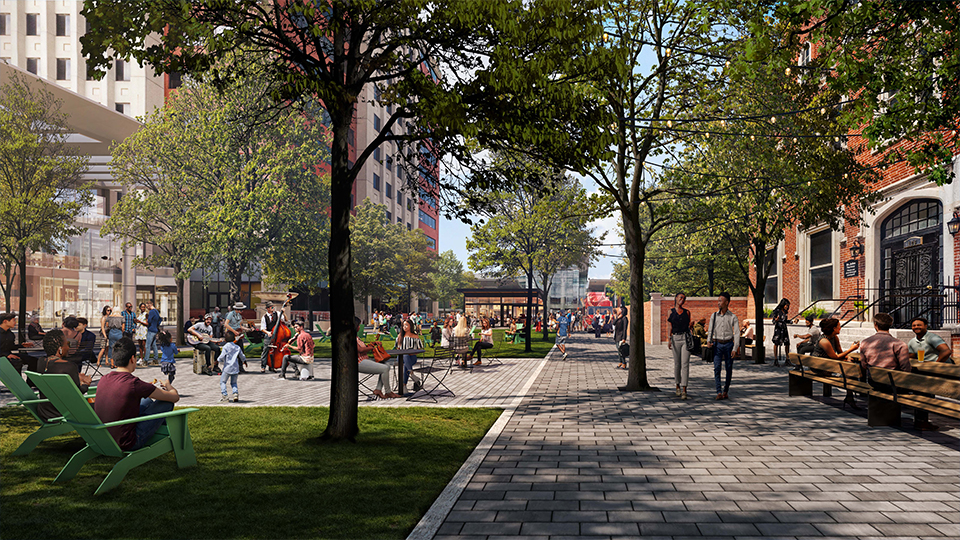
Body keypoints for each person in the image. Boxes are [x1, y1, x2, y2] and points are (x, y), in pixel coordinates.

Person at [94, 337, 180, 451]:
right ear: (132, 359)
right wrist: (168, 384)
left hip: (104, 437)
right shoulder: (134, 383)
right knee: (165, 403)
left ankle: (164, 435)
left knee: (147, 401)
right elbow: (174, 397)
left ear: (113, 360)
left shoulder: (104, 379)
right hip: (127, 441)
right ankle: (168, 438)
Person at [35, 329, 92, 422]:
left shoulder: (41, 361)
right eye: (67, 344)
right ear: (60, 348)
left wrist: (77, 377)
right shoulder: (68, 366)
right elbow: (78, 393)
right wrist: (86, 384)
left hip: (45, 411)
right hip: (64, 413)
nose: (68, 347)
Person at [811, 317, 862, 409]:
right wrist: (852, 349)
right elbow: (835, 357)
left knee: (850, 368)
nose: (840, 328)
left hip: (829, 363)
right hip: (819, 367)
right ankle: (850, 397)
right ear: (834, 328)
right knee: (850, 371)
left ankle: (850, 397)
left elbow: (839, 353)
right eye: (839, 326)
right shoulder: (824, 341)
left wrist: (847, 357)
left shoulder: (834, 337)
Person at [356, 317, 401, 399]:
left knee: (386, 365)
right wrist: (372, 348)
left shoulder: (356, 337)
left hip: (365, 360)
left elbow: (364, 347)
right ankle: (388, 392)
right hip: (359, 362)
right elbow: (360, 349)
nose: (360, 327)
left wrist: (372, 344)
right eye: (358, 325)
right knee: (384, 369)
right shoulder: (351, 337)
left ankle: (378, 389)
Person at [706, 292, 740, 400]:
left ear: (727, 302)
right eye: (718, 301)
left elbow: (737, 333)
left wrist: (735, 348)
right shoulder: (714, 316)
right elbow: (710, 329)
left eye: (721, 301)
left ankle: (726, 390)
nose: (718, 303)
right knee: (717, 368)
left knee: (729, 368)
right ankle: (718, 391)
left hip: (729, 344)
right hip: (717, 344)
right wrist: (708, 341)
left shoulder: (733, 317)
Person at [667, 293, 691, 400]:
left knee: (685, 364)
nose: (682, 300)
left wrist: (691, 326)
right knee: (677, 364)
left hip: (685, 338)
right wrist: (669, 339)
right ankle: (677, 386)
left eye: (684, 298)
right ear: (676, 298)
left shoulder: (687, 312)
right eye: (680, 297)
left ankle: (684, 389)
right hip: (675, 338)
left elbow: (688, 326)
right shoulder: (671, 312)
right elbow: (669, 326)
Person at [216, 331, 245, 403]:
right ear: (234, 338)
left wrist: (218, 360)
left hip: (227, 368)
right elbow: (242, 356)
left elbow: (222, 356)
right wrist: (244, 361)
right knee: (234, 383)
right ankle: (235, 394)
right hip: (235, 367)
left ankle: (225, 396)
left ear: (225, 339)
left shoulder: (226, 346)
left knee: (222, 382)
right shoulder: (237, 347)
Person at [396, 319, 423, 391]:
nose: (404, 327)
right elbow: (398, 349)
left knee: (406, 364)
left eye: (406, 325)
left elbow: (419, 349)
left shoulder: (415, 336)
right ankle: (412, 374)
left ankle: (403, 386)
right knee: (405, 355)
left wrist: (412, 352)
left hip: (412, 357)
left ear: (411, 326)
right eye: (403, 325)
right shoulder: (400, 336)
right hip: (400, 358)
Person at [259, 301, 285, 373]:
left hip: (277, 335)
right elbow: (262, 328)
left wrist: (283, 313)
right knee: (265, 350)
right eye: (271, 307)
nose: (273, 308)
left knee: (275, 351)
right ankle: (263, 366)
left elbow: (285, 320)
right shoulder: (264, 317)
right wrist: (268, 333)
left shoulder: (277, 313)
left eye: (273, 306)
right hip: (269, 334)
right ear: (267, 308)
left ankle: (272, 366)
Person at [771, 298, 791, 366]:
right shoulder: (777, 311)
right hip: (778, 329)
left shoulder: (785, 312)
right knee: (776, 343)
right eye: (786, 305)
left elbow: (785, 321)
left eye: (788, 306)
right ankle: (776, 359)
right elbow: (773, 321)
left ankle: (787, 359)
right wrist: (776, 320)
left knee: (787, 343)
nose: (787, 307)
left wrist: (792, 321)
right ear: (783, 304)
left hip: (784, 329)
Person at [144, 301, 162, 366]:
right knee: (154, 345)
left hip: (151, 330)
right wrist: (156, 325)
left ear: (149, 305)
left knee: (147, 345)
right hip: (155, 329)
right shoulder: (156, 311)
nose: (147, 308)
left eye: (147, 307)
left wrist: (147, 318)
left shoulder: (151, 312)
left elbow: (149, 321)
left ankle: (146, 360)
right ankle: (155, 359)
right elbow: (160, 319)